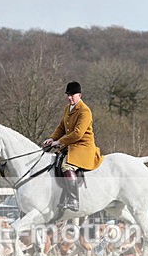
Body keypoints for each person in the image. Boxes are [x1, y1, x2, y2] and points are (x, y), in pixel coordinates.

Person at [42, 81, 103, 212]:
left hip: (83, 146)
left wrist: (59, 142)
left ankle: (74, 200)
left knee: (66, 166)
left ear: (79, 95)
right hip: (71, 145)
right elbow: (61, 127)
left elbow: (78, 133)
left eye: (72, 95)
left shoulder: (85, 111)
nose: (70, 97)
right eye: (68, 95)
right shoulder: (67, 109)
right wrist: (52, 138)